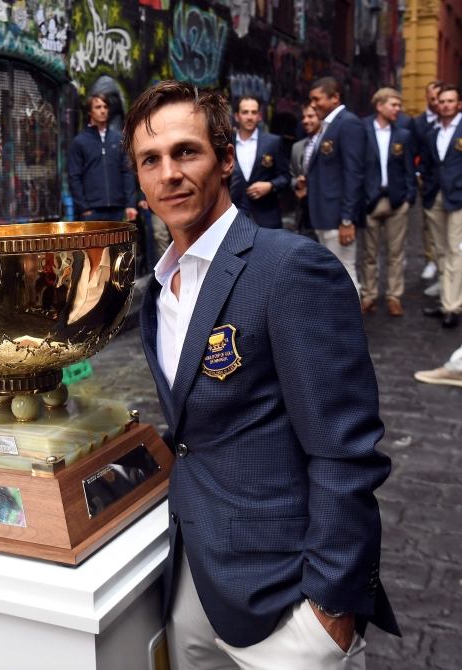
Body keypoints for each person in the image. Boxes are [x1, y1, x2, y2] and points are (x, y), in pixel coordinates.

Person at [123, 80, 398, 669]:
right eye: (151, 160)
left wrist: (331, 607)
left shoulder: (292, 269)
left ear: (226, 160)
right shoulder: (157, 291)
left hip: (289, 596)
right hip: (197, 580)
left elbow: (347, 451)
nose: (168, 173)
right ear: (140, 180)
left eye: (186, 152)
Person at [307, 76, 367, 294]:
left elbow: (353, 173)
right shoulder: (329, 125)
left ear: (334, 98)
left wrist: (347, 219)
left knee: (345, 275)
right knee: (331, 275)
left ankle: (351, 328)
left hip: (337, 217)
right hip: (324, 215)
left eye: (317, 99)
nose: (313, 104)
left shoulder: (348, 123)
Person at [361, 88, 416, 317]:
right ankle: (368, 295)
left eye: (398, 105)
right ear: (379, 106)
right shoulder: (362, 130)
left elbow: (409, 169)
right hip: (370, 200)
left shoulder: (402, 134)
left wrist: (409, 197)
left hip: (396, 200)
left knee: (396, 253)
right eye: (393, 105)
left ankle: (394, 296)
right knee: (369, 253)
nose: (398, 109)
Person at [419, 85, 462, 328]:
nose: (445, 105)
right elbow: (427, 163)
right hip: (435, 195)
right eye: (442, 101)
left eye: (450, 101)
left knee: (456, 249)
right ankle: (447, 299)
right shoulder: (432, 132)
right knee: (441, 250)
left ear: (458, 104)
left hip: (458, 197)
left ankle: (452, 306)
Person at [69, 92, 138, 222]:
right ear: (89, 112)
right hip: (91, 211)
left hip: (116, 209)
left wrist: (130, 204)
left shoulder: (118, 139)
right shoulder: (80, 142)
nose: (102, 111)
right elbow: (74, 177)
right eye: (98, 107)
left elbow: (127, 172)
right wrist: (83, 207)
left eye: (105, 107)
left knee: (117, 243)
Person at [229, 95, 290, 228]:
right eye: (245, 112)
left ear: (260, 116)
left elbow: (285, 176)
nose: (250, 117)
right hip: (234, 215)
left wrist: (270, 185)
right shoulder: (227, 144)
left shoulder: (273, 142)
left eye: (254, 112)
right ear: (237, 116)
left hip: (267, 215)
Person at [416, 81, 444, 284]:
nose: (436, 102)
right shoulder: (418, 123)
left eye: (439, 98)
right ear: (427, 97)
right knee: (428, 223)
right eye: (432, 98)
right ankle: (431, 259)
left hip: (452, 183)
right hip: (428, 180)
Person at [290, 103, 321, 234]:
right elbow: (291, 174)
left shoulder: (330, 144)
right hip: (304, 213)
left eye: (311, 116)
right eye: (304, 117)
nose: (306, 121)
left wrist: (310, 187)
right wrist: (297, 184)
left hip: (325, 212)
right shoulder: (297, 147)